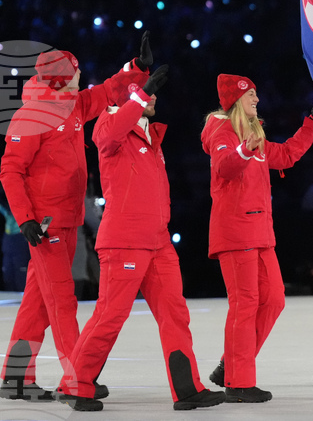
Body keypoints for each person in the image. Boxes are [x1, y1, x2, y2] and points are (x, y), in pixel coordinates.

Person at [55, 63, 225, 411]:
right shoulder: (109, 124)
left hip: (157, 240)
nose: (154, 95)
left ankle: (187, 389)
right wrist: (139, 89)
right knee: (111, 315)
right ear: (130, 97)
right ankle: (76, 384)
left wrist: (137, 74)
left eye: (152, 91)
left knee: (175, 313)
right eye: (146, 91)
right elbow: (108, 134)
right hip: (125, 240)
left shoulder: (149, 133)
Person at [0, 34, 151, 402]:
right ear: (64, 77)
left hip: (66, 219)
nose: (82, 75)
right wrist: (26, 219)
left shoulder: (74, 104)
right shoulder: (31, 116)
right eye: (77, 70)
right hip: (45, 225)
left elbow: (110, 90)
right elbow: (10, 170)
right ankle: (77, 378)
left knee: (38, 302)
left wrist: (137, 69)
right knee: (62, 301)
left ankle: (15, 378)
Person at [201, 75, 313, 403]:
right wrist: (243, 149)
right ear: (236, 99)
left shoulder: (254, 136)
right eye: (251, 94)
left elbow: (286, 155)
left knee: (275, 299)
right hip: (236, 231)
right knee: (246, 304)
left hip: (259, 233)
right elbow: (225, 167)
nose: (257, 100)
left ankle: (231, 365)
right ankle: (239, 382)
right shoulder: (221, 131)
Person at [0, 182, 30, 292]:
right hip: (9, 241)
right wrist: (1, 187)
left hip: (21, 239)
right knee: (8, 275)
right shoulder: (6, 211)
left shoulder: (23, 208)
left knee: (20, 276)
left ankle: (22, 300)